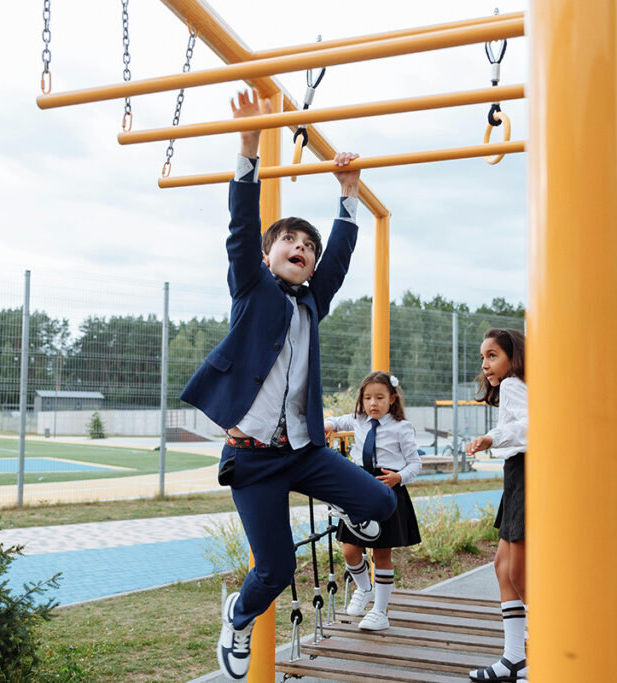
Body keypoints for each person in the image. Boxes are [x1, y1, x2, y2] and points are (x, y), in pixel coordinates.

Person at [179, 89, 396, 681]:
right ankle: (240, 617)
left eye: (308, 247)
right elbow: (241, 229)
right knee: (273, 571)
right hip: (251, 458)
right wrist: (249, 146)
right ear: (270, 256)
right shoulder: (252, 290)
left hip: (303, 452)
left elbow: (340, 261)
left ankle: (350, 542)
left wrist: (348, 195)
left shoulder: (311, 304)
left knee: (379, 500)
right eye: (291, 244)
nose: (301, 250)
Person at [324, 370, 422, 631]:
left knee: (381, 553)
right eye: (368, 398)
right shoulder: (358, 419)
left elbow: (415, 463)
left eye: (379, 397)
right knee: (350, 549)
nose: (373, 403)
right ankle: (364, 589)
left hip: (387, 487)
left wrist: (399, 477)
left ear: (392, 398)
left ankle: (380, 611)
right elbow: (335, 420)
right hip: (358, 487)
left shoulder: (401, 427)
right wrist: (330, 425)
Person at [465, 328, 528, 682]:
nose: (486, 365)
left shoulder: (512, 384)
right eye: (483, 358)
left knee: (518, 572)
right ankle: (514, 659)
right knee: (503, 567)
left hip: (525, 472)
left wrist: (491, 437)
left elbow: (530, 426)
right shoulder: (516, 386)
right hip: (516, 474)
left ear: (511, 357)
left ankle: (544, 650)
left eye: (492, 356)